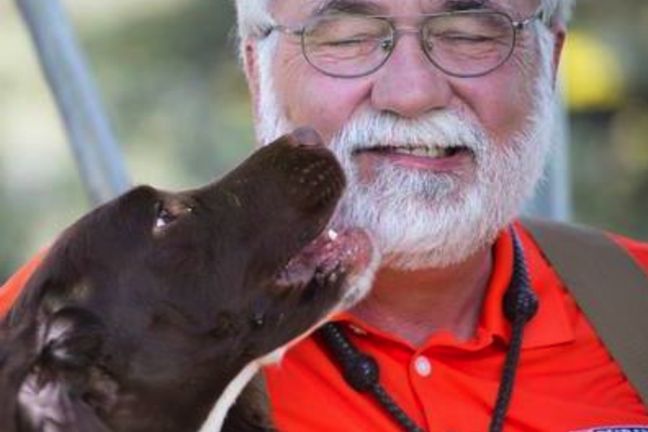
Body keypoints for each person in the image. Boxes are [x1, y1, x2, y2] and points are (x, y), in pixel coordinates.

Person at [2, 0, 647, 430]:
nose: (412, 93)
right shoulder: (88, 319)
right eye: (347, 36)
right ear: (256, 70)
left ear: (550, 64)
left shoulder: (635, 302)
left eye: (470, 35)